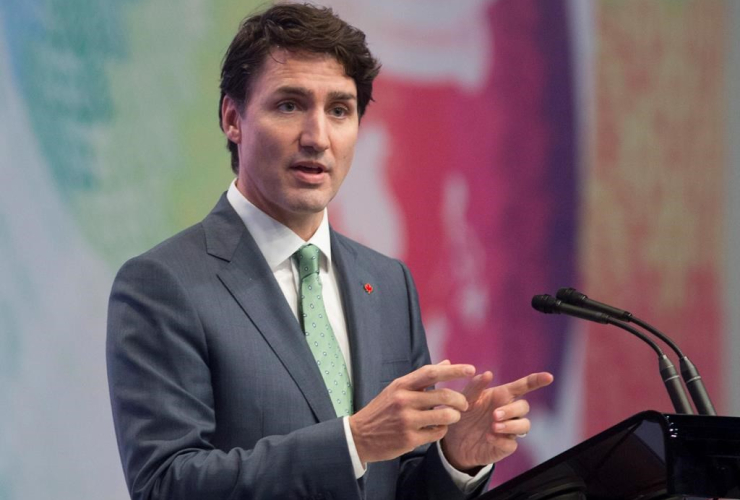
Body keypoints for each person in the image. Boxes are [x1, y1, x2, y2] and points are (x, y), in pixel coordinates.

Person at [106, 3, 554, 499]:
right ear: (233, 118)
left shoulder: (386, 283)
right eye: (289, 105)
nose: (317, 137)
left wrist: (454, 459)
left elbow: (397, 483)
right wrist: (353, 442)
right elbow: (165, 485)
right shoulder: (163, 284)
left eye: (339, 110)